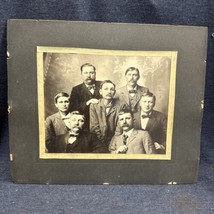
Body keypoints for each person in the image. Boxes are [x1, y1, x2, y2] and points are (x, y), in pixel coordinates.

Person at [90, 80, 126, 147]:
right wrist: (102, 143)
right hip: (97, 142)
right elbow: (94, 127)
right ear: (100, 92)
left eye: (111, 89)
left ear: (114, 92)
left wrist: (113, 143)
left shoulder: (121, 106)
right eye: (106, 89)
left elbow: (119, 129)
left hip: (115, 141)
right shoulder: (94, 106)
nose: (109, 92)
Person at [69, 63, 102, 130]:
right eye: (85, 73)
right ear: (81, 74)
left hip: (102, 122)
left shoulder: (103, 85)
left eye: (91, 73)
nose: (88, 75)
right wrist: (87, 103)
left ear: (95, 74)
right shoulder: (76, 89)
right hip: (84, 125)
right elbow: (72, 107)